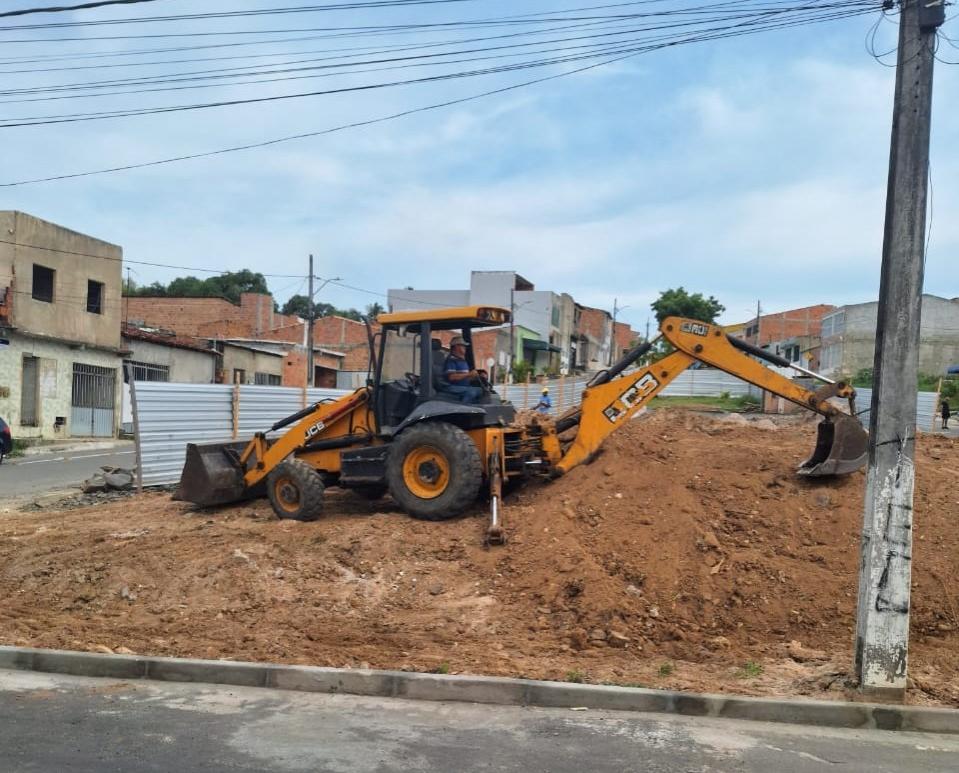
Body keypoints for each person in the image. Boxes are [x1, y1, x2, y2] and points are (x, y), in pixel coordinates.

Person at [440, 336, 484, 404]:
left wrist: (476, 377)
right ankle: (462, 408)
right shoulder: (451, 360)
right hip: (451, 387)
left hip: (462, 387)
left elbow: (465, 377)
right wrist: (469, 374)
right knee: (471, 392)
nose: (465, 348)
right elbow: (452, 377)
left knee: (480, 390)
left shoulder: (462, 361)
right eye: (463, 346)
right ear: (456, 346)